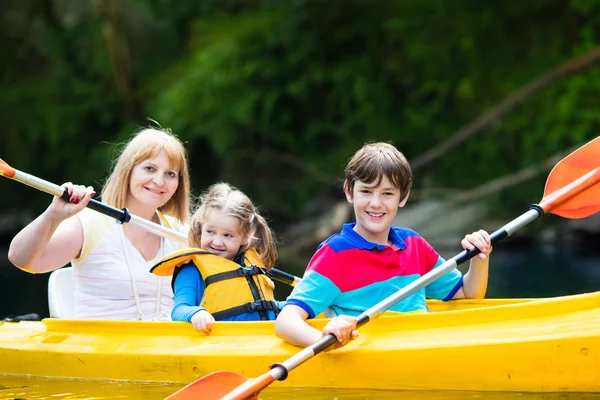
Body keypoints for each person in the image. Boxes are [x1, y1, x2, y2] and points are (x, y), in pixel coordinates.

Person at [275, 142, 492, 349]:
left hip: (421, 347)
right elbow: (286, 321)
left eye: (387, 193)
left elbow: (466, 292)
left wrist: (479, 258)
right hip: (369, 355)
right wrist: (322, 339)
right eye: (366, 191)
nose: (376, 203)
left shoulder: (413, 244)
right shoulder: (335, 254)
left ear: (403, 197)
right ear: (349, 191)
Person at [8, 128, 191, 320]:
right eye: (150, 169)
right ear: (128, 171)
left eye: (170, 174)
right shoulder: (90, 224)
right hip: (102, 345)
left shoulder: (181, 233)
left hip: (165, 346)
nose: (159, 181)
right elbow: (22, 259)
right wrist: (54, 215)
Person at [151, 182, 282, 334]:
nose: (217, 242)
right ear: (202, 227)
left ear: (245, 236)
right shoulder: (191, 270)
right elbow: (180, 309)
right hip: (218, 345)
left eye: (227, 235)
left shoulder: (250, 265)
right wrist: (196, 314)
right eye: (210, 232)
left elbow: (268, 306)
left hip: (262, 339)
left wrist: (294, 306)